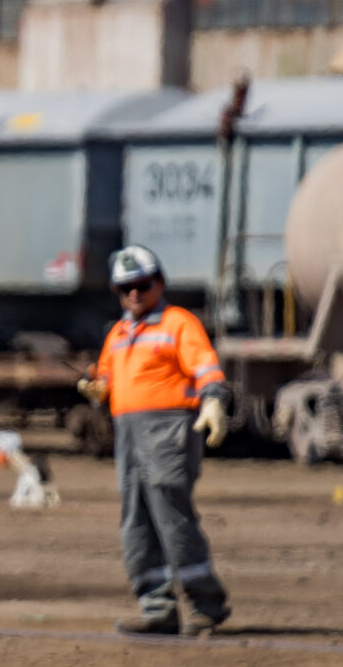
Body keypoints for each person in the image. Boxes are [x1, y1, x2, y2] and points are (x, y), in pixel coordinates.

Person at [83, 244, 233, 636]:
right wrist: (98, 389)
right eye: (125, 287)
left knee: (171, 514)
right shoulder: (117, 333)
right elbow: (108, 377)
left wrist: (214, 402)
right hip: (128, 433)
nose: (135, 293)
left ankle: (205, 604)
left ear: (160, 283)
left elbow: (205, 366)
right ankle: (157, 606)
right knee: (136, 520)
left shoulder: (178, 322)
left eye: (142, 285)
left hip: (169, 429)